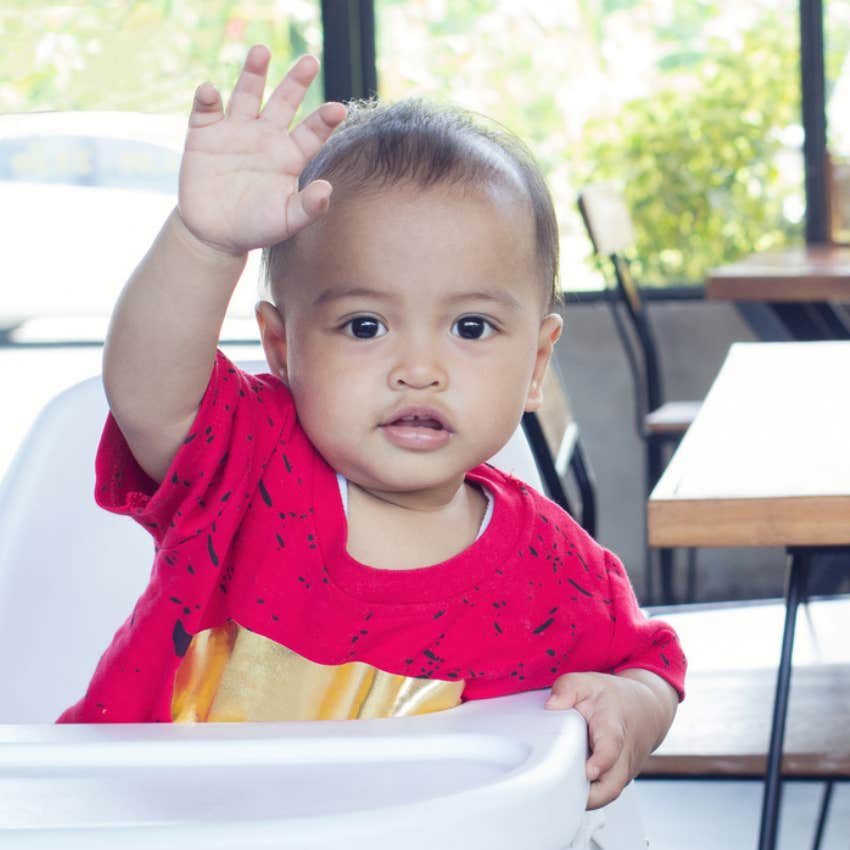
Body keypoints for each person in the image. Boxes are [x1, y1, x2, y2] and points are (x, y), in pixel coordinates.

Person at [58, 45, 686, 810]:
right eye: (364, 326)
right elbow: (147, 391)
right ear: (284, 347)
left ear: (536, 363)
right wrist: (205, 241)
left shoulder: (558, 575)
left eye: (472, 326)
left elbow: (650, 664)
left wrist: (632, 712)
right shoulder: (250, 461)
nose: (418, 368)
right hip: (146, 826)